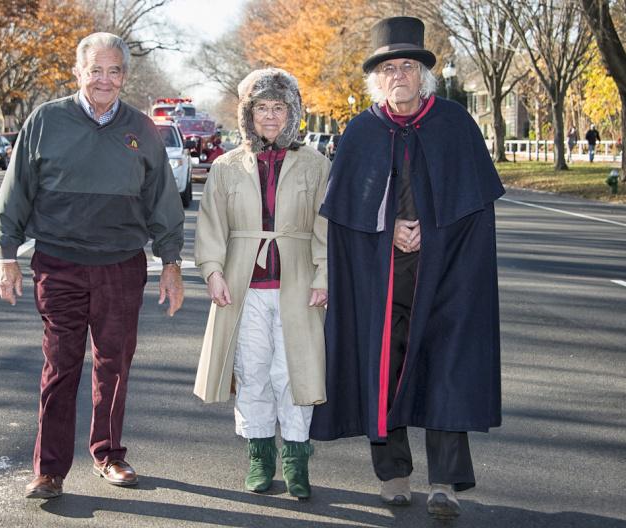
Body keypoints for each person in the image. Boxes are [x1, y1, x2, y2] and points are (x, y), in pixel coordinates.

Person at [310, 16, 504, 520]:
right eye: (390, 68)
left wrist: (434, 235)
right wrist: (387, 228)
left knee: (447, 370)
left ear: (424, 76)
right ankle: (393, 472)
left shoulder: (455, 124)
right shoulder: (361, 131)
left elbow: (476, 210)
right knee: (383, 370)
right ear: (378, 79)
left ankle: (444, 480)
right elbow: (345, 214)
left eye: (409, 66)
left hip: (445, 280)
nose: (399, 75)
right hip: (382, 280)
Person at [0, 32, 185, 500]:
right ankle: (48, 469)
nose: (104, 80)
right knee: (60, 366)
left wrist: (172, 262)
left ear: (124, 75)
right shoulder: (45, 120)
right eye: (94, 70)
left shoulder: (142, 129)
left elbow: (162, 201)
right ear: (78, 73)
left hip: (121, 265)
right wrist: (6, 255)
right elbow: (15, 190)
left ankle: (109, 454)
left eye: (113, 71)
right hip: (59, 263)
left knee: (114, 365)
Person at [193, 68, 330, 500]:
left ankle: (295, 456)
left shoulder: (316, 165)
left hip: (298, 284)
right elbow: (211, 224)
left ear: (292, 113)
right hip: (243, 286)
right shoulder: (227, 167)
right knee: (251, 372)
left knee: (293, 373)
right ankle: (259, 453)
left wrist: (324, 274)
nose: (270, 117)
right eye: (261, 108)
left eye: (278, 108)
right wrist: (213, 271)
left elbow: (327, 226)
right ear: (248, 114)